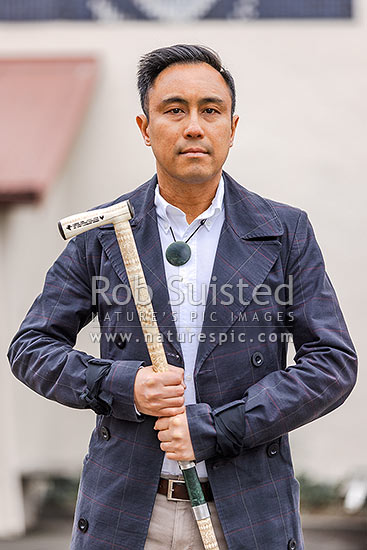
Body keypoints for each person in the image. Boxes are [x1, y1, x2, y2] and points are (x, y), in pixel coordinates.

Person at [8, 44, 357, 550]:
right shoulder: (105, 232)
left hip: (247, 513)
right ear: (145, 128)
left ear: (231, 129)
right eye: (174, 110)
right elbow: (31, 347)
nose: (194, 126)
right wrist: (124, 385)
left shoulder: (283, 232)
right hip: (127, 512)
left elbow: (331, 364)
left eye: (210, 110)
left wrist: (220, 427)